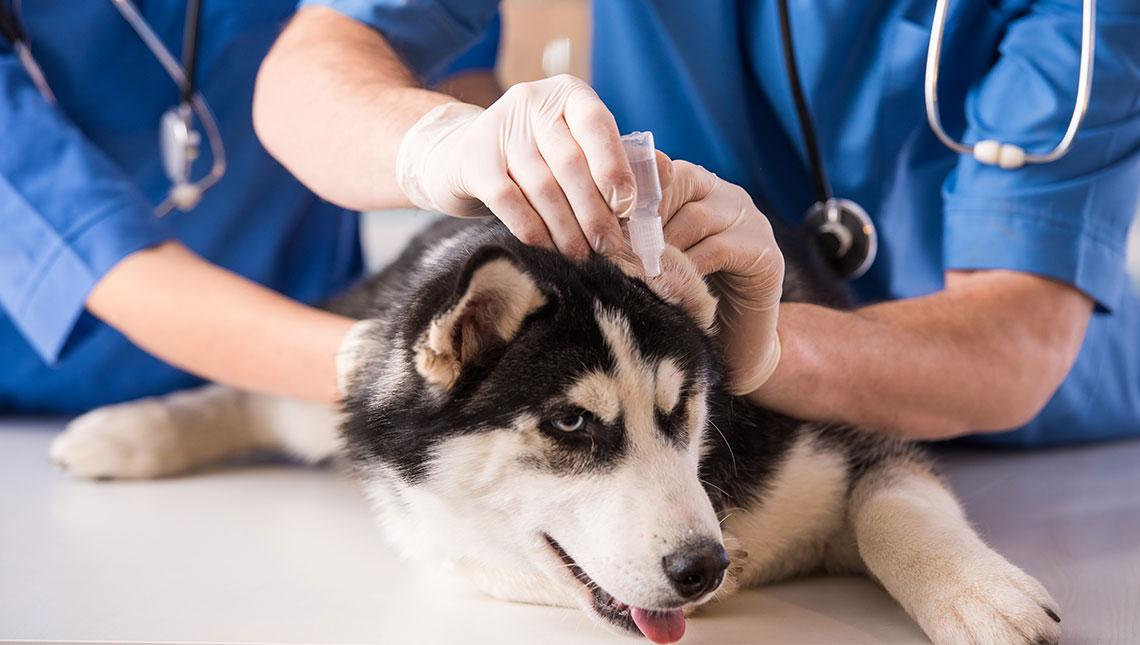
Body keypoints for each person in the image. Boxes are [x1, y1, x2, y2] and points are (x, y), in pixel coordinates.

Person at [252, 1, 1140, 445]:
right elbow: (306, 73)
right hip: (675, 409)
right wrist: (440, 145)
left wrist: (765, 348)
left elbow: (1012, 342)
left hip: (1001, 441)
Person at [0, 2, 498, 413]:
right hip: (55, 415)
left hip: (315, 366)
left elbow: (455, 79)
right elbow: (91, 255)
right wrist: (380, 366)